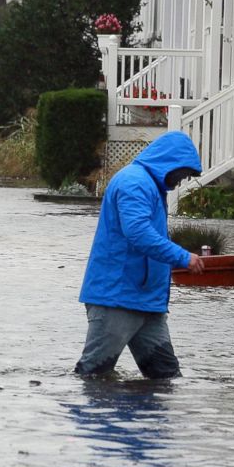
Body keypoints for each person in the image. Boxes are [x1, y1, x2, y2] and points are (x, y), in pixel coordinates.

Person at [75, 131, 204, 379]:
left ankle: (151, 419)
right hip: (117, 298)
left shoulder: (150, 186)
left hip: (146, 302)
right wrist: (183, 257)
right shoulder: (134, 183)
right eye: (183, 173)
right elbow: (138, 234)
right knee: (93, 375)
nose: (182, 180)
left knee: (165, 378)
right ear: (171, 163)